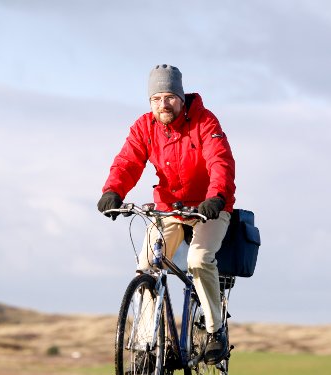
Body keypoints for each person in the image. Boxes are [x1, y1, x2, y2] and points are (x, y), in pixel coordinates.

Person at [97, 64, 236, 365]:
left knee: (199, 260)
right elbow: (127, 162)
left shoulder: (204, 121)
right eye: (156, 98)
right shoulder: (144, 127)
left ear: (181, 98)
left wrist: (216, 196)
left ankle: (214, 332)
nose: (163, 104)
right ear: (150, 102)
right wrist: (113, 191)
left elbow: (220, 162)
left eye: (170, 96)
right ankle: (147, 346)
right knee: (147, 266)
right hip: (169, 208)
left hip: (209, 208)